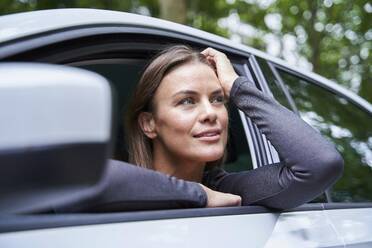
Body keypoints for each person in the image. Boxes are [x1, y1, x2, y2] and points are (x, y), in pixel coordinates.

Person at [56, 45, 343, 213]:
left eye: (218, 99)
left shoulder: (228, 190)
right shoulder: (120, 187)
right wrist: (198, 195)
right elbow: (77, 176)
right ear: (149, 123)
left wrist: (238, 87)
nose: (211, 113)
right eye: (187, 101)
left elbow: (320, 163)